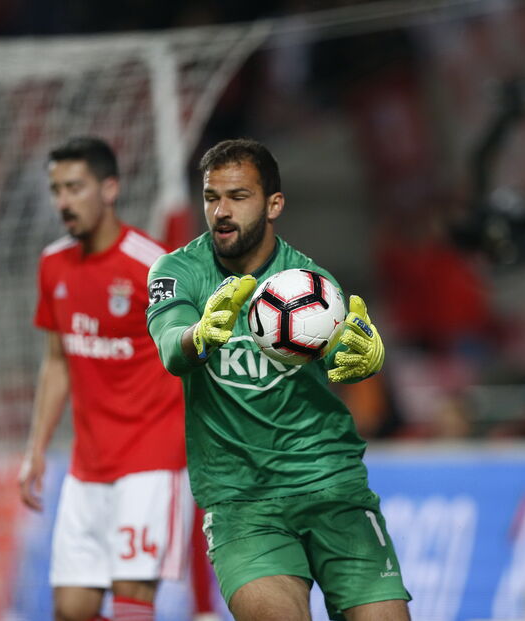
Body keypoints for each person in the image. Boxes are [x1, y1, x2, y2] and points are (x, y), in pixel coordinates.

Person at [145, 138, 412, 621]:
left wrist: (368, 362)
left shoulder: (309, 283)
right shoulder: (177, 270)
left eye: (238, 197)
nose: (221, 211)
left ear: (274, 204)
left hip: (332, 487)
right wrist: (199, 335)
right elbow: (170, 346)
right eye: (211, 197)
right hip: (243, 503)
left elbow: (344, 362)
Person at [18, 136, 193, 621]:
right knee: (71, 609)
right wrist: (36, 448)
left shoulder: (154, 266)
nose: (63, 202)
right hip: (86, 467)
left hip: (151, 461)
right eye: (56, 190)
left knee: (131, 603)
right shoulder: (52, 264)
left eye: (75, 187)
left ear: (109, 188)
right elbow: (57, 361)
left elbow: (194, 353)